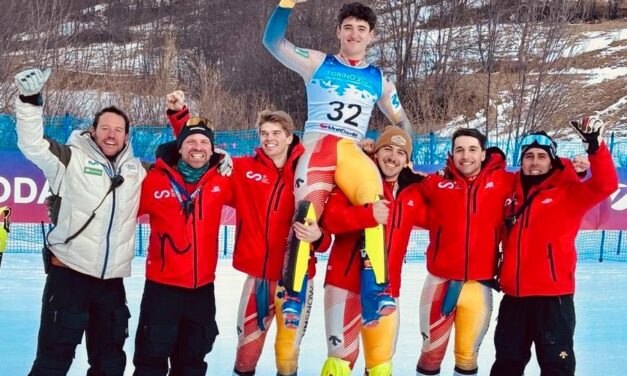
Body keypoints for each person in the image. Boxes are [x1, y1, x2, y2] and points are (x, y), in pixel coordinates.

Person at [264, 0, 413, 328]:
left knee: (375, 201)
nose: (354, 34)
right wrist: (286, 5)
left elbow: (402, 122)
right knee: (306, 213)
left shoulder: (379, 79)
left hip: (350, 151)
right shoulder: (318, 62)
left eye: (361, 29)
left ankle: (375, 291)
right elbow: (273, 43)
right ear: (338, 31)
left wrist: (406, 154)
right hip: (318, 146)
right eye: (348, 27)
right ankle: (294, 294)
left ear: (371, 36)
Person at [164, 92, 327, 376]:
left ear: (290, 137)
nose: (269, 138)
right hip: (258, 277)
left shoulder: (308, 171)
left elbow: (331, 219)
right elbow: (195, 152)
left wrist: (320, 237)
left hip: (297, 278)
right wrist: (180, 117)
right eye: (264, 133)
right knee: (246, 352)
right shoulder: (243, 169)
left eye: (276, 132)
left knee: (287, 355)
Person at [15, 68, 147, 376]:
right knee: (53, 362)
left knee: (110, 365)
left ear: (127, 136)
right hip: (68, 279)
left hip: (111, 285)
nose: (111, 134)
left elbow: (183, 172)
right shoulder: (69, 159)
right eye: (105, 128)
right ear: (94, 130)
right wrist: (29, 101)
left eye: (118, 129)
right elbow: (33, 144)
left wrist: (218, 158)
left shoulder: (137, 172)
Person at [490, 119, 618, 376]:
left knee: (556, 368)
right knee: (506, 365)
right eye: (528, 156)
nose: (534, 162)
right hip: (514, 299)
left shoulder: (568, 192)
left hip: (553, 300)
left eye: (541, 156)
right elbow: (483, 175)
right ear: (522, 161)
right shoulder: (509, 191)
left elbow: (606, 185)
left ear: (552, 161)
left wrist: (595, 149)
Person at [319, 126, 426, 376]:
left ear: (407, 161)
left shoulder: (413, 193)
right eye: (387, 149)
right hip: (344, 285)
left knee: (380, 366)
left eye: (401, 152)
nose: (393, 157)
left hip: (387, 288)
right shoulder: (354, 177)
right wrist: (368, 213)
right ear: (375, 153)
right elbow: (331, 220)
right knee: (339, 363)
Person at [132, 116, 232, 375]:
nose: (197, 147)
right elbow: (115, 209)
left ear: (212, 149)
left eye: (203, 142)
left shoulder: (222, 179)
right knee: (150, 362)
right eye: (190, 141)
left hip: (201, 291)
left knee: (193, 364)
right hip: (162, 290)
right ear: (179, 147)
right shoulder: (153, 179)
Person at [415, 128, 515, 376]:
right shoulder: (435, 183)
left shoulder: (505, 182)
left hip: (478, 287)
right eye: (459, 149)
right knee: (431, 354)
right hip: (440, 283)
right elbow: (395, 174)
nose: (465, 156)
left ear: (483, 154)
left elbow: (544, 178)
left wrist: (575, 169)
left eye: (472, 149)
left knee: (467, 357)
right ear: (452, 153)